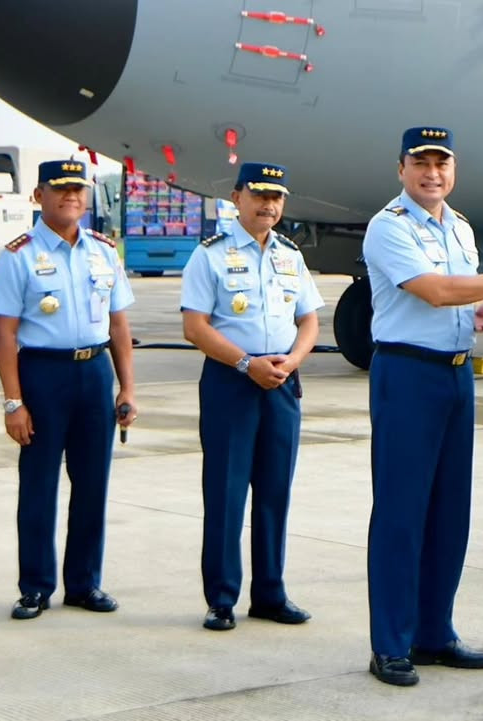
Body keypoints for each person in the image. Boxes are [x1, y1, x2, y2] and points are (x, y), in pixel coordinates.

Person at [363, 126, 483, 686]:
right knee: (401, 513)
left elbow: (459, 303)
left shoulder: (460, 227)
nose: (432, 174)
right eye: (421, 163)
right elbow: (436, 290)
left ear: (453, 169)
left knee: (450, 511)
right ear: (401, 168)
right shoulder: (389, 226)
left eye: (441, 164)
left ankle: (434, 633)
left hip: (456, 375)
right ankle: (390, 644)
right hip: (407, 374)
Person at [0, 159, 137, 620]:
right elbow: (5, 334)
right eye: (60, 188)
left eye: (78, 189)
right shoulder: (19, 255)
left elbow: (118, 324)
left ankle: (85, 584)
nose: (71, 196)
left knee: (92, 484)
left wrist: (127, 389)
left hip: (94, 373)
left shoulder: (103, 251)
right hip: (42, 375)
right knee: (39, 484)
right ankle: (35, 586)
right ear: (39, 196)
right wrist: (13, 402)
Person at [180, 162, 323, 631]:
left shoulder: (290, 255)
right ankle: (222, 598)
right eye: (259, 195)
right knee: (226, 491)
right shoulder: (210, 255)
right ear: (237, 197)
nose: (269, 205)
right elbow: (195, 326)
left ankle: (270, 594)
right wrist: (246, 364)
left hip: (280, 380)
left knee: (275, 491)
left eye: (276, 197)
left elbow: (309, 319)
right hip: (232, 380)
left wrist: (293, 360)